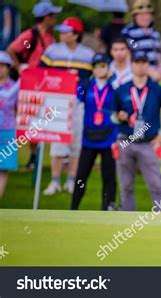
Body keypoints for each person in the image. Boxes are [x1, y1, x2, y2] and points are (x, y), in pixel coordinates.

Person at [113, 51, 161, 211]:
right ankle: (127, 219)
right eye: (137, 62)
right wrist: (119, 117)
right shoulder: (122, 89)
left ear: (148, 65)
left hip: (148, 143)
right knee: (126, 186)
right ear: (132, 64)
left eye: (143, 62)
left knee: (156, 185)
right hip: (125, 140)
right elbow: (112, 117)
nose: (140, 65)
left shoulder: (156, 89)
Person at [40, 17, 95, 195]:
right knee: (57, 142)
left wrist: (81, 83)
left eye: (66, 31)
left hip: (79, 104)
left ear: (76, 34)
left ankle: (72, 179)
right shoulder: (52, 51)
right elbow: (41, 73)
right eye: (61, 31)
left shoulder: (88, 54)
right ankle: (55, 181)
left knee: (76, 142)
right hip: (57, 102)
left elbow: (93, 79)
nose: (62, 34)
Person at [7, 0, 62, 170]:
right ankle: (32, 156)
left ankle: (36, 156)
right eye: (53, 15)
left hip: (44, 81)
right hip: (30, 82)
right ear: (46, 17)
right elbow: (11, 50)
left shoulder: (50, 36)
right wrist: (20, 67)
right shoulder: (31, 36)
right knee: (30, 119)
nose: (55, 19)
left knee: (40, 118)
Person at [71, 53, 117, 211]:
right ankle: (73, 208)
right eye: (96, 66)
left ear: (108, 67)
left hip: (109, 138)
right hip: (88, 138)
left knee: (109, 177)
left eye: (103, 66)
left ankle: (107, 208)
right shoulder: (86, 85)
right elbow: (74, 101)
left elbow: (123, 96)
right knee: (81, 176)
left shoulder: (114, 84)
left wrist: (113, 79)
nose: (100, 69)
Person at [121, 0, 161, 81]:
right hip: (136, 76)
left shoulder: (154, 32)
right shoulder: (128, 32)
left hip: (154, 77)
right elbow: (128, 55)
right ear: (135, 16)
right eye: (142, 15)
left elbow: (158, 55)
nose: (146, 18)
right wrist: (148, 71)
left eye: (148, 14)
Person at [0, 52, 18, 198]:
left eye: (2, 66)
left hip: (7, 130)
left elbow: (20, 108)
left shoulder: (14, 86)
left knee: (3, 168)